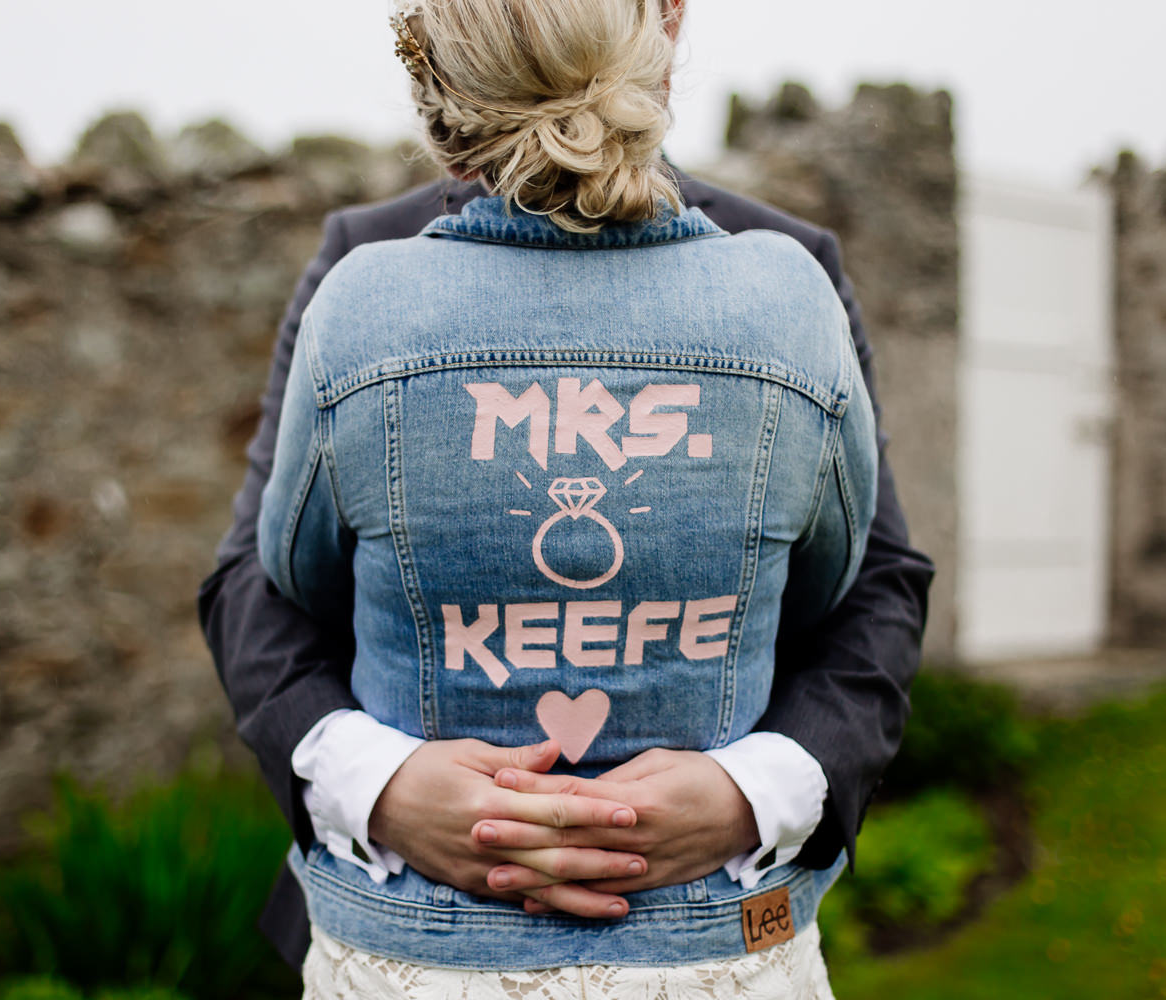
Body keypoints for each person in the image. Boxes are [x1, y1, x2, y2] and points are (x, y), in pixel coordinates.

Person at [198, 0, 935, 991]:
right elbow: (256, 580)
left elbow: (873, 583)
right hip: (412, 913)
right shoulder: (361, 264)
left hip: (710, 915)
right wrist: (376, 781)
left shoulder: (788, 269)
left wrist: (756, 789)